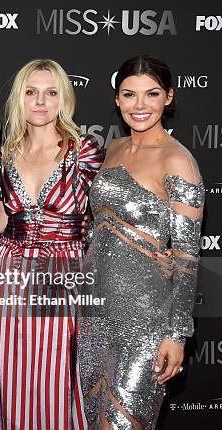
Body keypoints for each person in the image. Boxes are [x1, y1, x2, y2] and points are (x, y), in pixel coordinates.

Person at [0, 59, 104, 429]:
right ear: (19, 98)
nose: (40, 102)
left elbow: (106, 221)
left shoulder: (84, 152)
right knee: (11, 379)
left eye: (50, 92)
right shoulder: (5, 153)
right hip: (10, 277)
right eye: (31, 92)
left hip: (64, 277)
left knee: (56, 383)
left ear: (64, 99)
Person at [77, 55, 204, 429]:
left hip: (145, 322)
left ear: (168, 98)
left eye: (151, 94)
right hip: (95, 315)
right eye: (129, 95)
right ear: (117, 100)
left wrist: (176, 334)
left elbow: (186, 255)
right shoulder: (112, 151)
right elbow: (95, 229)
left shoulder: (178, 160)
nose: (140, 105)